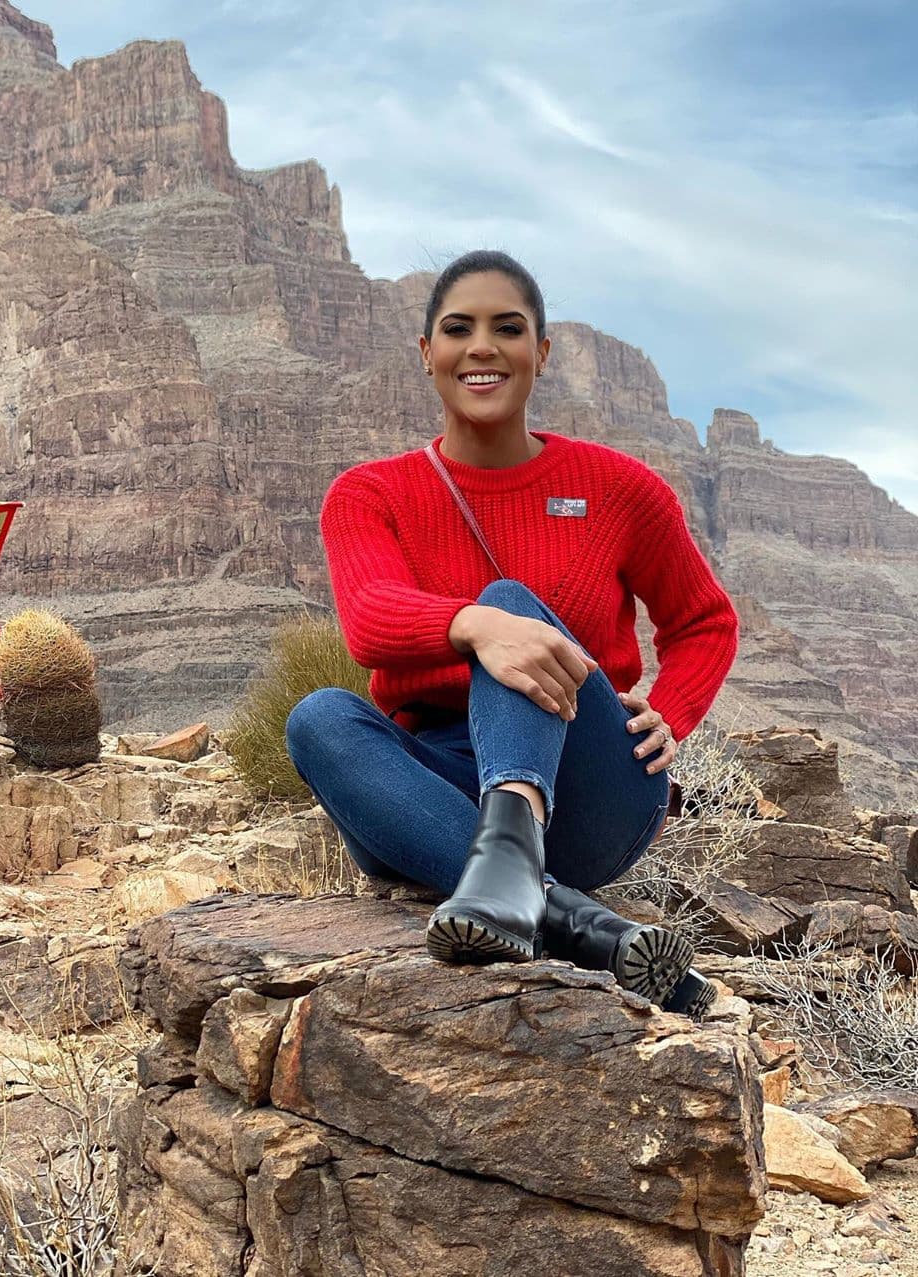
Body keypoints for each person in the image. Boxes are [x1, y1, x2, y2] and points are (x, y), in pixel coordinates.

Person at [285, 250, 739, 1017]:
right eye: (458, 329)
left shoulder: (622, 488)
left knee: (509, 601)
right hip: (431, 792)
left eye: (509, 328)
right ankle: (576, 922)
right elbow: (367, 623)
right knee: (318, 718)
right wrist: (475, 627)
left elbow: (705, 621)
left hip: (591, 782)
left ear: (542, 353)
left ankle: (518, 864)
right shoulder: (369, 493)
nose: (483, 346)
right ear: (428, 355)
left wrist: (675, 710)